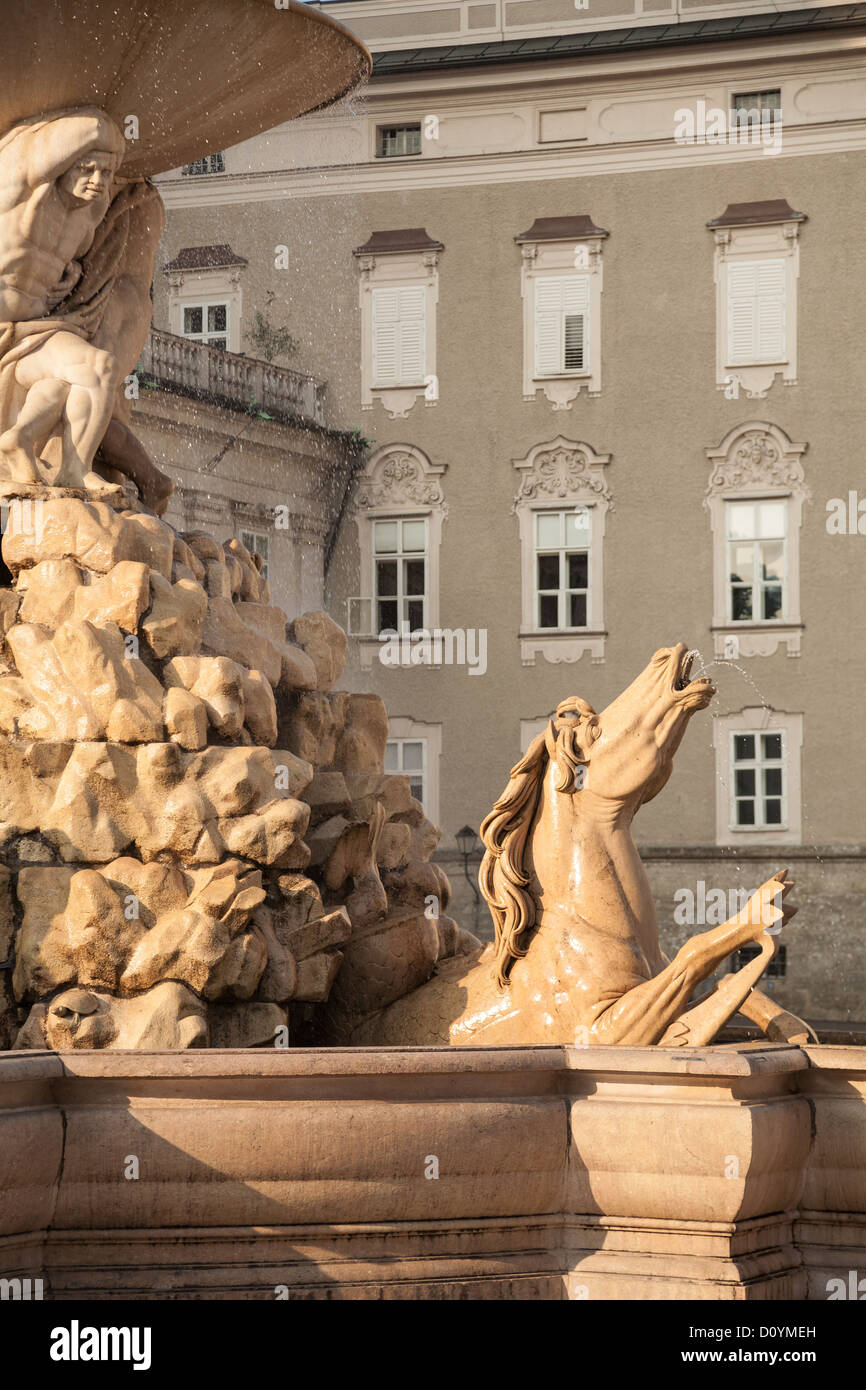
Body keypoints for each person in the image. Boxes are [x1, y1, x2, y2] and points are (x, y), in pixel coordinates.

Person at [0, 107, 173, 512]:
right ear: (65, 163)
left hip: (37, 330)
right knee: (99, 368)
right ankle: (73, 470)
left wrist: (69, 274)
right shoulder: (19, 190)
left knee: (68, 380)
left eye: (107, 174)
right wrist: (101, 126)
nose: (98, 182)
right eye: (88, 169)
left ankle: (20, 441)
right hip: (6, 329)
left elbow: (68, 260)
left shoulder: (88, 213)